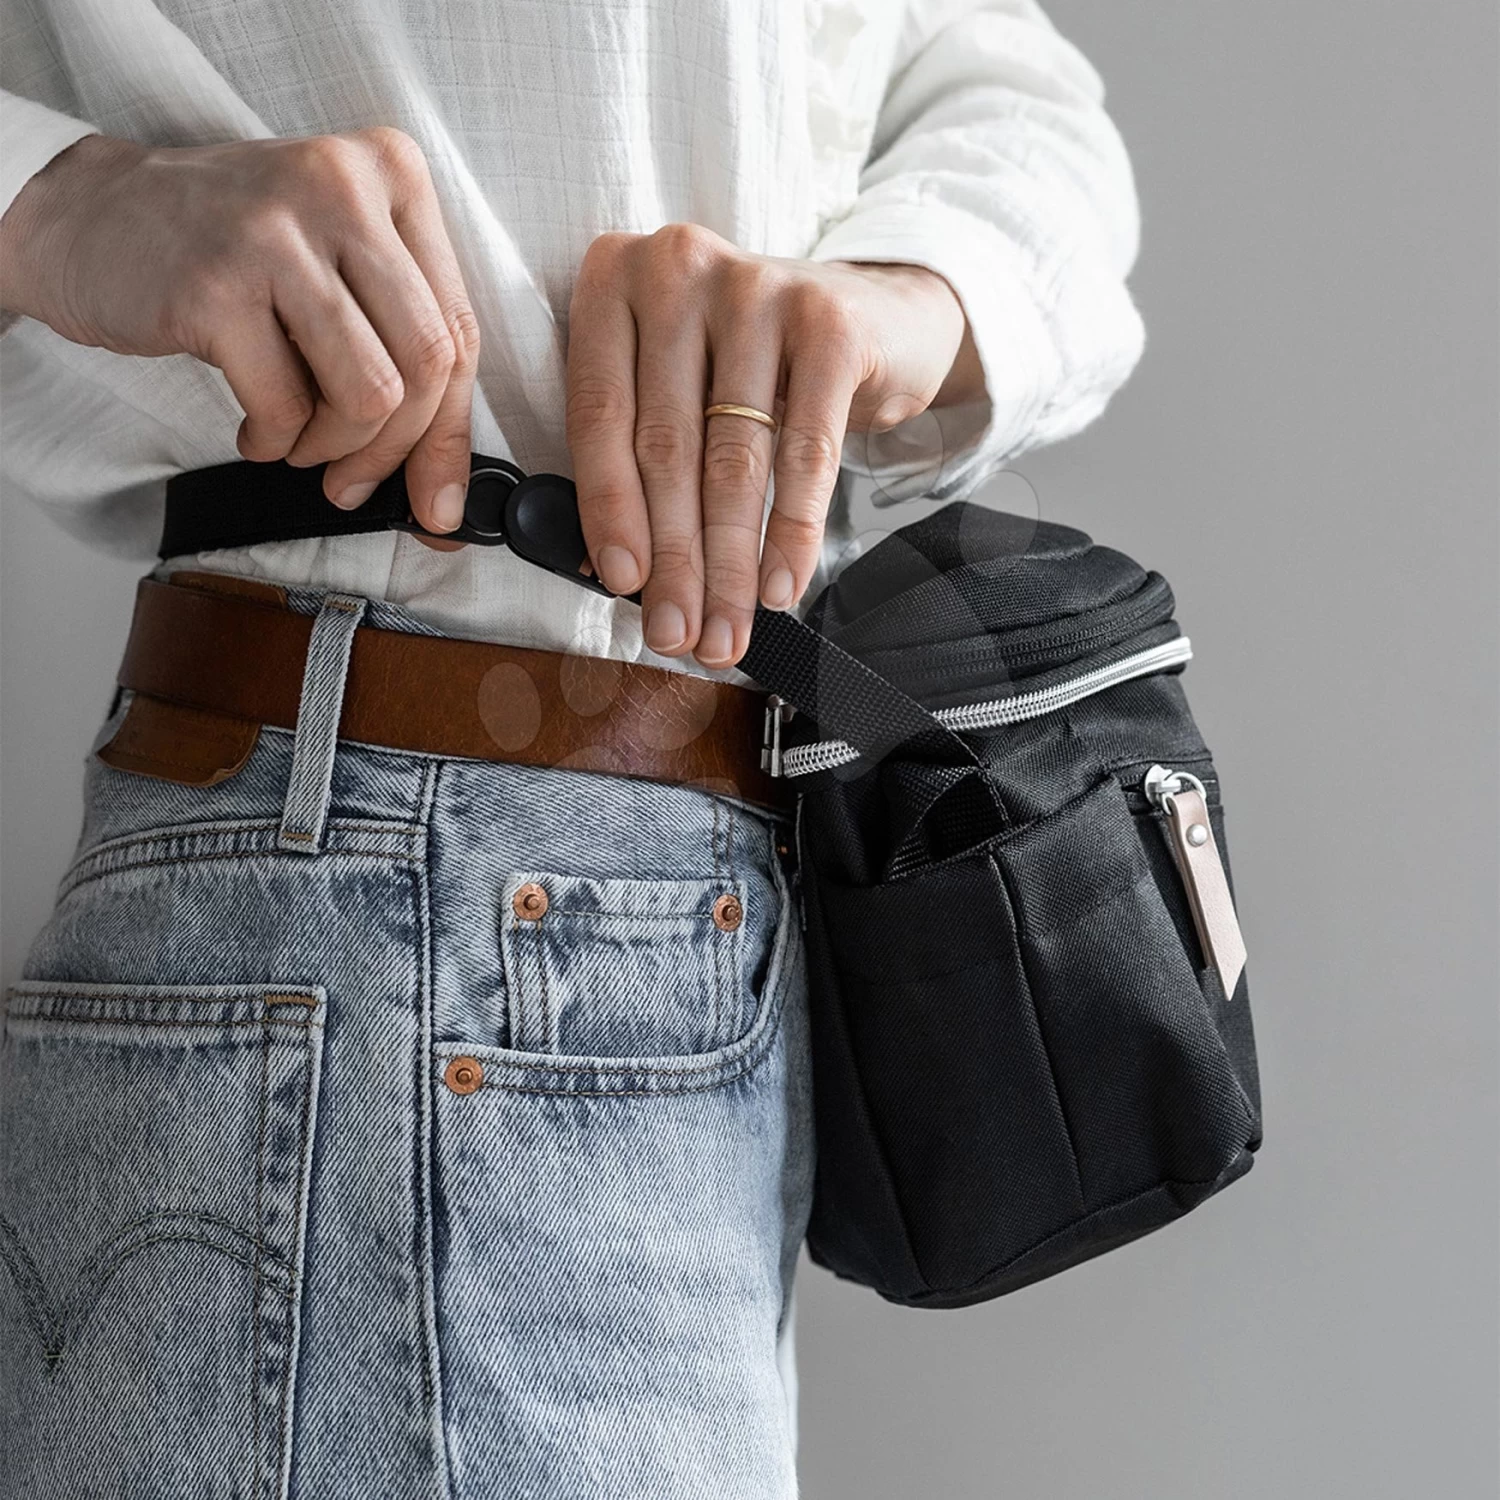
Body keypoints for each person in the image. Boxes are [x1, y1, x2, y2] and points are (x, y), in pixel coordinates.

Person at [0, 1, 1143, 1494]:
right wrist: (53, 195)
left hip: (657, 894)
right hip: (388, 885)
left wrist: (901, 295)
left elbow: (1000, 80)